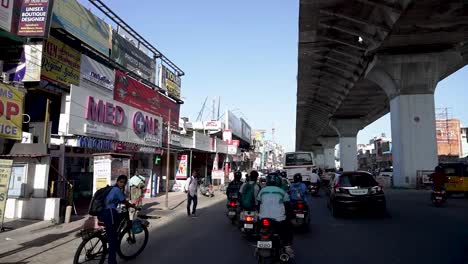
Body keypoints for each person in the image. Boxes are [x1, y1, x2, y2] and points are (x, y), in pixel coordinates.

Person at [98, 175, 135, 264]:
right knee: (113, 240)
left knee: (113, 229)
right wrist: (132, 206)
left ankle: (109, 237)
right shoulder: (117, 190)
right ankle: (112, 262)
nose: (122, 184)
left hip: (101, 213)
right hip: (109, 214)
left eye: (124, 182)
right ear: (117, 181)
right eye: (121, 182)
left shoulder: (110, 188)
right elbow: (124, 201)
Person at [257, 173, 294, 257]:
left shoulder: (262, 191)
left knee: (259, 231)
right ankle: (287, 246)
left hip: (263, 219)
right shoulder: (282, 191)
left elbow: (258, 204)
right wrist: (290, 215)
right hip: (278, 220)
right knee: (288, 229)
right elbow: (288, 206)